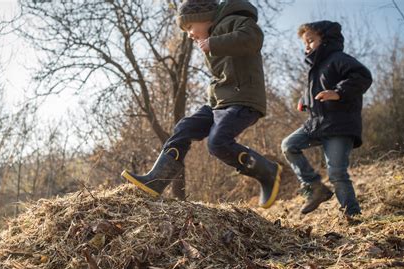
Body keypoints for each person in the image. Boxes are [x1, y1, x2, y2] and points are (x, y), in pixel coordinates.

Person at [121, 0, 282, 208]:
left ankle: (266, 171)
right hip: (219, 103)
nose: (189, 34)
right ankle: (157, 180)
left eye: (189, 27)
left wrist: (214, 43)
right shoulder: (212, 37)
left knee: (217, 143)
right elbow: (220, 77)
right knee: (184, 127)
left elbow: (253, 38)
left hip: (242, 100)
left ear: (202, 18)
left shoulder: (235, 21)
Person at [281, 20, 372, 217]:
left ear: (326, 40)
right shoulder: (316, 67)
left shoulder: (338, 58)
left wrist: (338, 93)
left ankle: (352, 214)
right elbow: (318, 89)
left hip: (340, 125)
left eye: (311, 41)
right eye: (305, 43)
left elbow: (363, 76)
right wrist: (304, 100)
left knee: (337, 173)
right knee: (289, 145)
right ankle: (314, 186)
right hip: (318, 123)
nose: (307, 46)